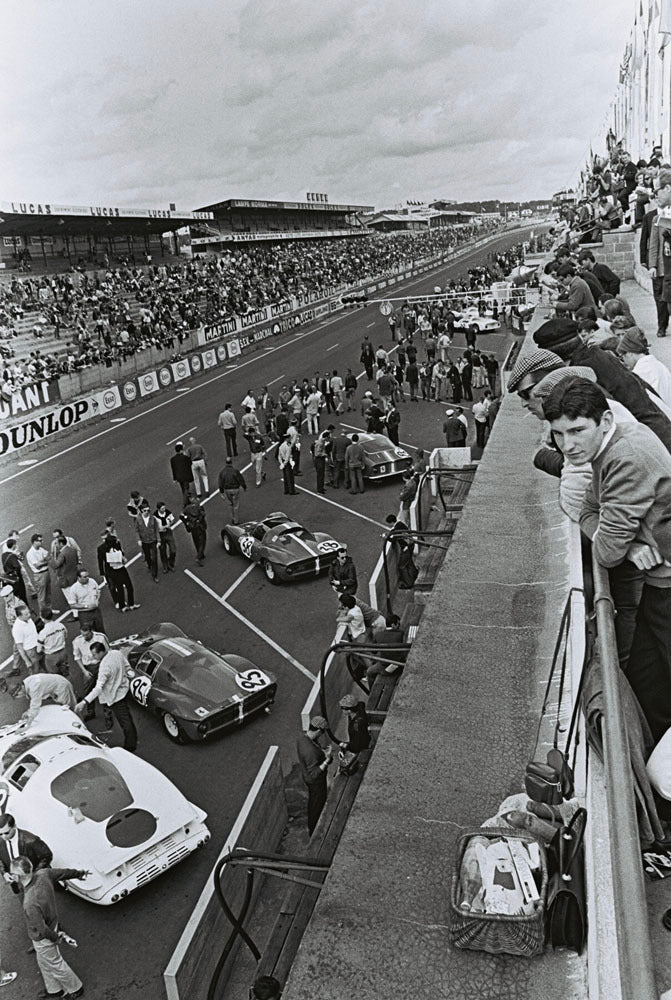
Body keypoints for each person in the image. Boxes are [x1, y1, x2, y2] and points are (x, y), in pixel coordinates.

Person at [544, 380, 671, 740]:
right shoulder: (615, 442)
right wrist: (631, 546)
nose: (567, 445)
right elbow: (588, 509)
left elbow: (606, 552)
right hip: (658, 585)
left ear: (604, 420)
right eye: (558, 434)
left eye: (577, 430)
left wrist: (620, 544)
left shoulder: (624, 457)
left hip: (666, 587)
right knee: (649, 680)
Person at [12, 855, 86, 1000]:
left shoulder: (29, 903)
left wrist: (57, 938)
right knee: (43, 962)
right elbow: (63, 873)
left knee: (55, 963)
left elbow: (42, 929)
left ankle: (75, 988)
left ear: (17, 876)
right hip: (53, 922)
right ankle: (54, 990)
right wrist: (80, 873)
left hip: (43, 937)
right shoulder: (43, 874)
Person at [75, 643, 138, 752]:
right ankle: (132, 738)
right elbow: (127, 667)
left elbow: (98, 688)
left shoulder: (104, 667)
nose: (93, 657)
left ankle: (130, 745)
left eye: (94, 654)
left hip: (114, 697)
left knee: (125, 721)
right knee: (127, 717)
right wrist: (129, 675)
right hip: (123, 690)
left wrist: (84, 702)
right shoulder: (117, 653)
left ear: (101, 652)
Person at [616, 326, 671, 408]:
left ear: (629, 353)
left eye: (622, 356)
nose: (624, 361)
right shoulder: (658, 365)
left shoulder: (640, 372)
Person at [296, 716, 333, 836]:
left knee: (314, 803)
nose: (322, 735)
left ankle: (313, 828)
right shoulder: (310, 751)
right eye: (322, 732)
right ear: (318, 730)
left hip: (309, 780)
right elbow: (314, 774)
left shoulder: (303, 739)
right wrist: (326, 760)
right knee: (317, 805)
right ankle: (314, 832)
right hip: (315, 783)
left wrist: (322, 751)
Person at [0, 813, 52, 883]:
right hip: (15, 880)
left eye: (6, 833)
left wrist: (34, 875)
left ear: (14, 827)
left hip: (35, 880)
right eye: (0, 834)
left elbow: (47, 855)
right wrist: (4, 873)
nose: (3, 837)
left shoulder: (31, 840)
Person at [102, 535, 138, 611]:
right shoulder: (114, 550)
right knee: (128, 586)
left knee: (120, 588)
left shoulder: (106, 551)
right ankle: (131, 604)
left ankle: (123, 606)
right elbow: (123, 559)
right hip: (120, 570)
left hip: (114, 571)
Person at [337, 694, 370, 775]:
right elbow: (361, 703)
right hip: (365, 739)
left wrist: (345, 746)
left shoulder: (356, 726)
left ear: (349, 710)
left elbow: (357, 745)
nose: (342, 710)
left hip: (361, 746)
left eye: (343, 708)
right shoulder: (359, 711)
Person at [385, 514, 419, 589]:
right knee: (408, 561)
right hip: (410, 545)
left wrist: (385, 537)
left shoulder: (397, 529)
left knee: (401, 566)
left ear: (391, 522)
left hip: (406, 547)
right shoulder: (400, 524)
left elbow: (393, 539)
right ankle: (414, 573)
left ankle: (408, 583)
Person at [25, 533, 55, 618]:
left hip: (46, 572)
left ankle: (49, 610)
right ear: (34, 542)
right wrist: (45, 561)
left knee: (48, 593)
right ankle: (43, 614)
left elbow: (48, 556)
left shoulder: (41, 549)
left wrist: (44, 560)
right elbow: (37, 565)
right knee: (42, 596)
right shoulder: (30, 553)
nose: (42, 542)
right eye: (40, 540)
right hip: (39, 575)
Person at [69, 569, 104, 633]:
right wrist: (86, 606)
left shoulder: (92, 581)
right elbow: (72, 605)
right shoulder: (74, 589)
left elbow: (98, 591)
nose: (87, 578)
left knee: (101, 630)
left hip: (96, 611)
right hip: (85, 614)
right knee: (88, 632)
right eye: (85, 577)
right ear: (79, 578)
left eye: (88, 576)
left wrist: (97, 600)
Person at [1, 585, 25, 677]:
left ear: (11, 594)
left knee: (17, 648)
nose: (5, 599)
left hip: (20, 630)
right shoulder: (8, 603)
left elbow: (25, 619)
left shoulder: (19, 605)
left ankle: (16, 668)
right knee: (20, 648)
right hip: (14, 629)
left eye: (6, 596)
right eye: (3, 597)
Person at [36, 611, 68, 675]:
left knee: (54, 675)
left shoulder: (43, 633)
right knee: (66, 671)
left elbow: (38, 650)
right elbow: (66, 636)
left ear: (42, 618)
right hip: (62, 652)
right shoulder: (61, 625)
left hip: (51, 656)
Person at [135, 502, 160, 583]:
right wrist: (138, 539)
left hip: (153, 541)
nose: (147, 512)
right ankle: (149, 565)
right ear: (142, 511)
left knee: (154, 558)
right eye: (145, 510)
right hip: (144, 541)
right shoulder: (138, 519)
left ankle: (154, 575)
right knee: (148, 556)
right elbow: (137, 530)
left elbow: (157, 530)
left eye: (148, 510)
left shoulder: (153, 518)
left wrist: (158, 540)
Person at [12, 606, 40, 675]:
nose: (29, 615)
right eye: (26, 614)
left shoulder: (28, 619)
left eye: (28, 613)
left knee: (42, 664)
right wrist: (27, 661)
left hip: (38, 644)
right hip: (31, 650)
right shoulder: (17, 629)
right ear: (19, 616)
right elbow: (19, 647)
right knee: (35, 669)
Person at [218, 458, 247, 525]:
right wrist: (244, 486)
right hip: (235, 489)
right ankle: (236, 521)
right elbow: (240, 479)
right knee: (236, 505)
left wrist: (221, 491)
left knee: (230, 504)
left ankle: (232, 518)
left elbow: (220, 482)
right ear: (231, 463)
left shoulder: (222, 472)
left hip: (227, 490)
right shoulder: (235, 471)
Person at [181, 497, 207, 565]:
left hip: (192, 528)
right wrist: (199, 520)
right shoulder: (199, 507)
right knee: (202, 542)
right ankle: (199, 557)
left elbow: (181, 516)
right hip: (200, 527)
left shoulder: (187, 509)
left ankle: (201, 554)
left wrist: (187, 522)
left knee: (196, 541)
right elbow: (203, 514)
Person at [1, 539, 27, 605]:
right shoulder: (12, 555)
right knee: (22, 593)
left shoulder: (3, 555)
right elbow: (17, 566)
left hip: (9, 578)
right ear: (13, 545)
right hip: (17, 578)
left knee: (14, 595)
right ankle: (25, 607)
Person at [154, 502, 177, 573]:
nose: (164, 509)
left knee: (173, 550)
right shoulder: (154, 516)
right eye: (162, 508)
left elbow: (172, 519)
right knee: (163, 551)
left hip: (168, 532)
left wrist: (170, 523)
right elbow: (154, 526)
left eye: (164, 508)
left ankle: (170, 563)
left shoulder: (168, 513)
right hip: (160, 534)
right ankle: (165, 566)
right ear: (158, 509)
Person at [312, 429, 330, 494]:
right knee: (320, 475)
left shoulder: (322, 442)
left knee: (322, 474)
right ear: (326, 437)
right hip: (319, 459)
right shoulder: (320, 443)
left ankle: (321, 487)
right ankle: (319, 490)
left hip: (320, 459)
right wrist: (324, 454)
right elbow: (317, 453)